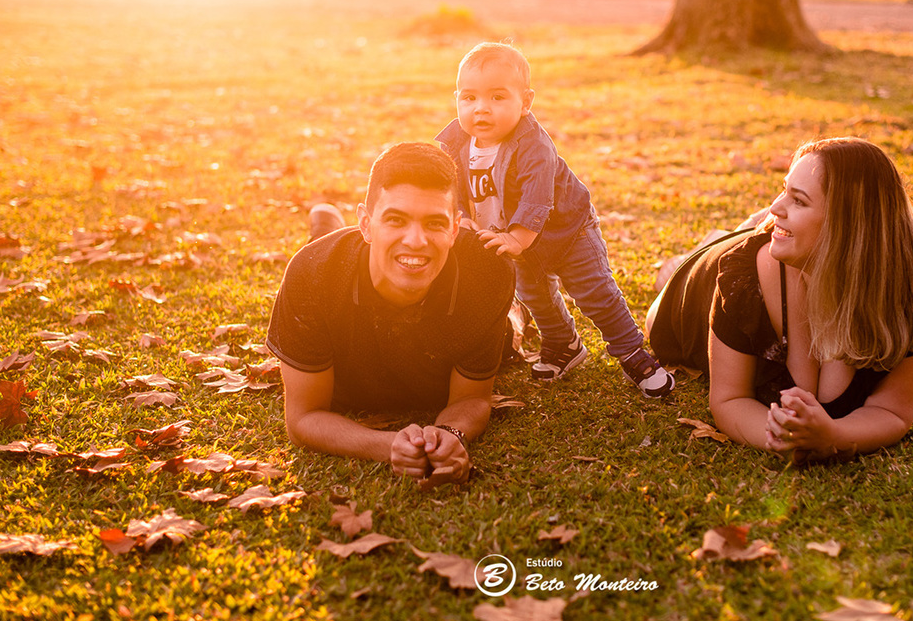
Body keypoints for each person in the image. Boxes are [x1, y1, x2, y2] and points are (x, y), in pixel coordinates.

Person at [646, 137, 913, 461]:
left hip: (801, 252)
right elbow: (729, 400)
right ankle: (703, 249)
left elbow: (893, 412)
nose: (776, 205)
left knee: (771, 229)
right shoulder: (742, 279)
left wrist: (832, 436)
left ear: (847, 226)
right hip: (695, 289)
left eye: (798, 200)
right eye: (784, 190)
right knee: (671, 278)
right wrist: (782, 438)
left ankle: (740, 230)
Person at [265, 142, 515, 486]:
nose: (416, 240)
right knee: (321, 257)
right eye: (396, 219)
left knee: (512, 336)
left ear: (456, 229)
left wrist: (450, 434)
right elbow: (304, 417)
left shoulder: (488, 273)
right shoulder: (311, 274)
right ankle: (324, 230)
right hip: (331, 271)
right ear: (366, 224)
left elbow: (472, 398)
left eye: (434, 223)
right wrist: (387, 445)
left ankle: (334, 227)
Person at [435, 41, 674, 398]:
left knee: (596, 293)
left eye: (497, 98)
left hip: (566, 231)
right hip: (513, 242)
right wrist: (462, 217)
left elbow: (537, 197)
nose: (481, 109)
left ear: (526, 102)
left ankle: (632, 352)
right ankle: (564, 344)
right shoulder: (456, 142)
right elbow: (451, 184)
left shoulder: (533, 144)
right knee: (536, 297)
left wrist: (516, 238)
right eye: (469, 98)